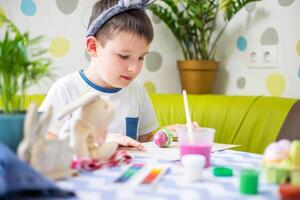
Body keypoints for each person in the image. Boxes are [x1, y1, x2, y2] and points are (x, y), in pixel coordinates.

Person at [39, 0, 159, 150]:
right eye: (123, 56)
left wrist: (166, 136)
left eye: (141, 58)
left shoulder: (137, 90)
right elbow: (45, 142)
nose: (134, 69)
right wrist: (97, 141)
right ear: (93, 46)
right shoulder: (65, 90)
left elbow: (146, 139)